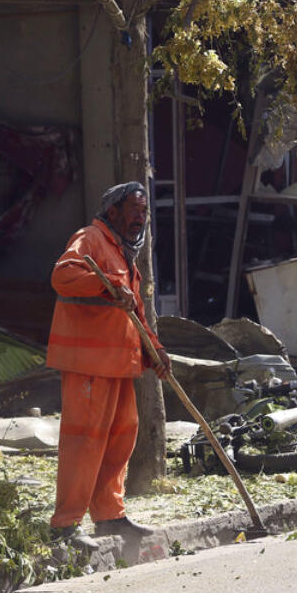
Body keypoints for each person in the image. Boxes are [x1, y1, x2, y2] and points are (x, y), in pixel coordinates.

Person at [46, 181, 172, 551]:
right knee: (83, 443)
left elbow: (136, 315)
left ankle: (109, 517)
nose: (139, 217)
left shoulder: (123, 254)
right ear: (113, 211)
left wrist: (155, 351)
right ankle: (65, 526)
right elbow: (62, 275)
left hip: (118, 364)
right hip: (88, 365)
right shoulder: (90, 239)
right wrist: (104, 287)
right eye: (134, 209)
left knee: (120, 441)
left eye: (144, 211)